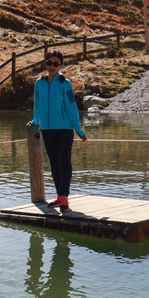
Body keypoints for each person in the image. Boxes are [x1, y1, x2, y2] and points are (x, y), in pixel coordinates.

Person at [30, 50, 88, 210]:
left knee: (64, 162)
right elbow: (37, 104)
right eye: (49, 63)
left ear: (61, 65)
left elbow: (72, 108)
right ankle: (59, 196)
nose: (52, 66)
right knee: (54, 163)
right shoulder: (39, 83)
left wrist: (78, 129)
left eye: (56, 63)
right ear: (45, 63)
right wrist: (36, 121)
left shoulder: (65, 83)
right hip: (47, 129)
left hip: (64, 129)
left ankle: (64, 197)